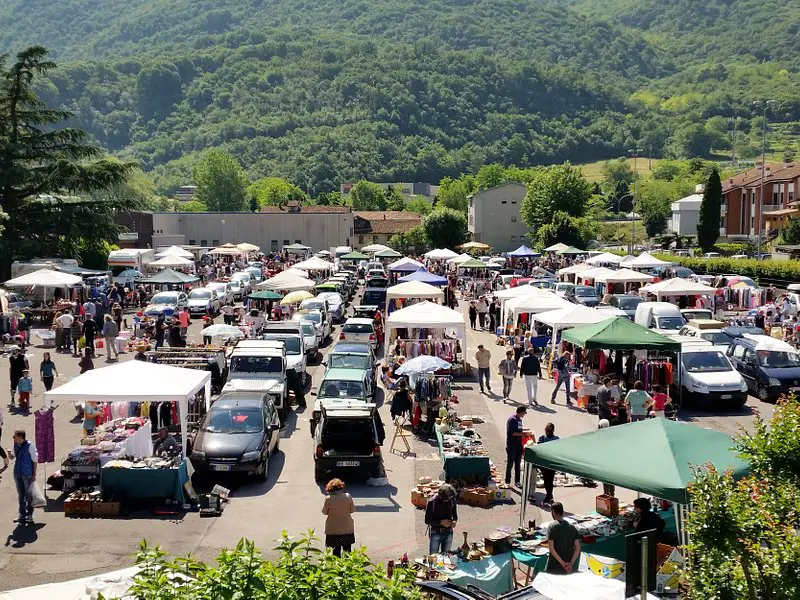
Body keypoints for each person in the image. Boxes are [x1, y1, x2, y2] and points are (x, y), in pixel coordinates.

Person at [321, 478, 356, 557]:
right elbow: (352, 510)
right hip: (347, 528)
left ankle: (337, 568)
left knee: (336, 553)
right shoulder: (348, 496)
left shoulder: (328, 498)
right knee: (347, 552)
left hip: (333, 530)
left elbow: (324, 512)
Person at [10, 429, 38, 524]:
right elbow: (12, 457)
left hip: (28, 474)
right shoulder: (15, 444)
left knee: (29, 495)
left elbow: (35, 461)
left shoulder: (30, 446)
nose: (13, 438)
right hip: (17, 473)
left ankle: (29, 515)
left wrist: (34, 475)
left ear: (21, 437)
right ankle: (22, 515)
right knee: (21, 495)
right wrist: (9, 454)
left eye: (15, 436)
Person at [546, 502, 581, 574]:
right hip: (568, 565)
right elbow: (578, 548)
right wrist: (571, 563)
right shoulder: (572, 527)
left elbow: (551, 549)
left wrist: (562, 563)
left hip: (554, 566)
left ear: (553, 512)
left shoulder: (552, 527)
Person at [424, 483, 458, 554]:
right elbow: (427, 520)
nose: (447, 500)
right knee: (433, 557)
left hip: (448, 532)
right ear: (440, 496)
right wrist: (441, 522)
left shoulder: (451, 500)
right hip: (436, 532)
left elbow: (455, 515)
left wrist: (454, 521)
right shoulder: (432, 502)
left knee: (446, 556)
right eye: (446, 499)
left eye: (449, 498)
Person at [505, 406, 527, 487]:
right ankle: (507, 481)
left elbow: (519, 430)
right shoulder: (512, 420)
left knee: (517, 464)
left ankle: (517, 481)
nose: (524, 414)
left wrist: (524, 433)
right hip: (512, 445)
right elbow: (512, 433)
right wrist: (522, 434)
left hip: (518, 445)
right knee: (510, 464)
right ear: (521, 412)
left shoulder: (519, 420)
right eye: (524, 413)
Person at [537, 423, 559, 505]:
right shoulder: (556, 439)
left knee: (547, 481)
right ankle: (550, 496)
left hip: (544, 463)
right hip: (552, 463)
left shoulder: (542, 438)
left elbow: (538, 448)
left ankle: (548, 497)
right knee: (550, 480)